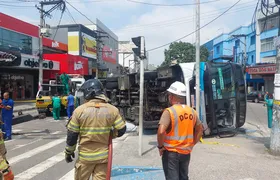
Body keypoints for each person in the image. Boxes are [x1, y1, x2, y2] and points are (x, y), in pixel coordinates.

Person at [64, 79, 126, 180]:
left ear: (89, 92)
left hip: (85, 159)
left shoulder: (79, 111)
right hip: (103, 158)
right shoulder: (112, 110)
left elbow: (72, 136)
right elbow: (122, 130)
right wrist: (111, 134)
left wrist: (68, 152)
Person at [157, 81, 203, 180]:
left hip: (171, 153)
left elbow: (161, 132)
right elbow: (200, 129)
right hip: (186, 153)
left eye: (169, 95)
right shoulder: (192, 111)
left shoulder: (170, 111)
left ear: (172, 96)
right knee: (184, 177)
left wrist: (160, 147)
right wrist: (192, 143)